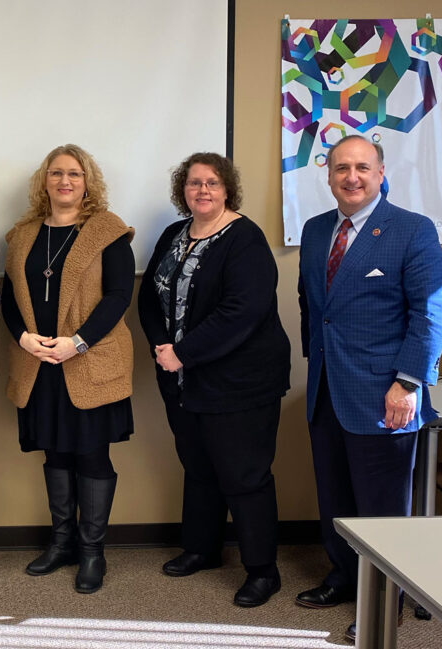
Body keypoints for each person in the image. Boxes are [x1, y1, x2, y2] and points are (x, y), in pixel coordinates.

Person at [296, 135, 442, 642]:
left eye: (363, 167)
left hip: (386, 395)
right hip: (325, 389)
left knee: (383, 510)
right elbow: (313, 305)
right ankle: (343, 577)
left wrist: (408, 382)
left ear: (381, 172)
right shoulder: (317, 230)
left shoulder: (412, 230)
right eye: (342, 167)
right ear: (328, 174)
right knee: (336, 499)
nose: (352, 177)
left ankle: (388, 600)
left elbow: (431, 313)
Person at [138, 152, 290, 607]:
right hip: (182, 380)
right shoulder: (173, 234)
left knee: (244, 475)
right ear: (182, 191)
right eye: (193, 183)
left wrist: (182, 352)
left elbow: (242, 312)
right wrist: (164, 348)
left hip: (240, 382)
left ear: (228, 190)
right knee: (200, 468)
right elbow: (149, 297)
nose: (202, 190)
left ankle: (263, 571)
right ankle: (202, 549)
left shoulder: (244, 239)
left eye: (212, 183)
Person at [2, 144, 134, 595]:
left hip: (89, 362)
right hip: (38, 364)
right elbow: (9, 299)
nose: (64, 181)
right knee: (53, 452)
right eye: (56, 173)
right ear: (45, 181)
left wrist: (76, 343)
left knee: (92, 456)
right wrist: (23, 338)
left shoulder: (107, 231)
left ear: (87, 181)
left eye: (74, 174)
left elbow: (118, 296)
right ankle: (61, 543)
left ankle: (92, 552)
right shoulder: (21, 235)